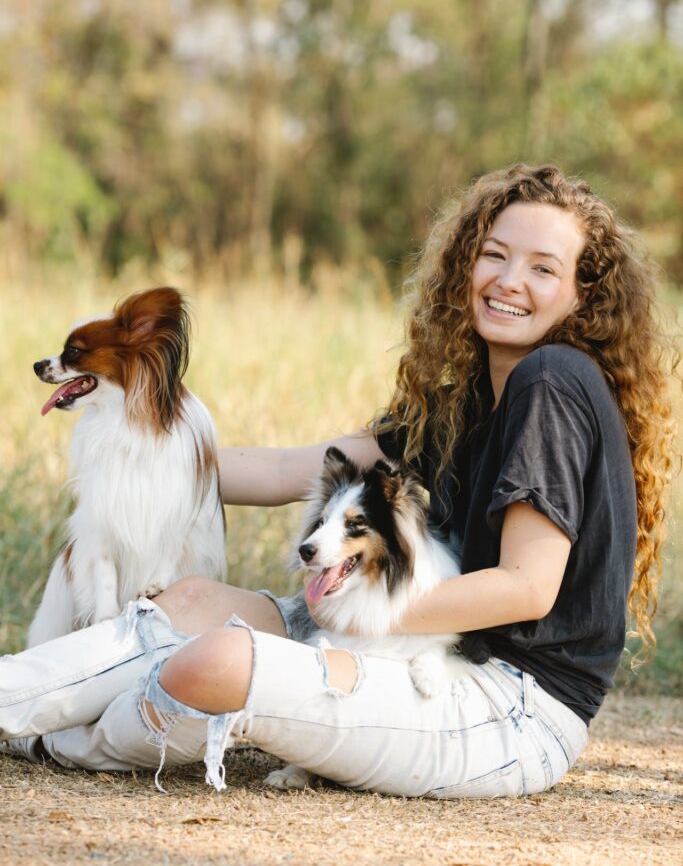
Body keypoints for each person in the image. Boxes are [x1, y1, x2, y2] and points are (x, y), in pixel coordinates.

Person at [1, 164, 677, 799]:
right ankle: (12, 701)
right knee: (190, 603)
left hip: (504, 703)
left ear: (583, 294)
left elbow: (526, 587)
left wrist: (354, 610)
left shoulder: (550, 382)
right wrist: (132, 443)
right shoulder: (463, 401)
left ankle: (53, 742)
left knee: (215, 662)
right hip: (398, 642)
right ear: (466, 260)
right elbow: (282, 468)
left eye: (541, 268)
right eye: (494, 254)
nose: (507, 280)